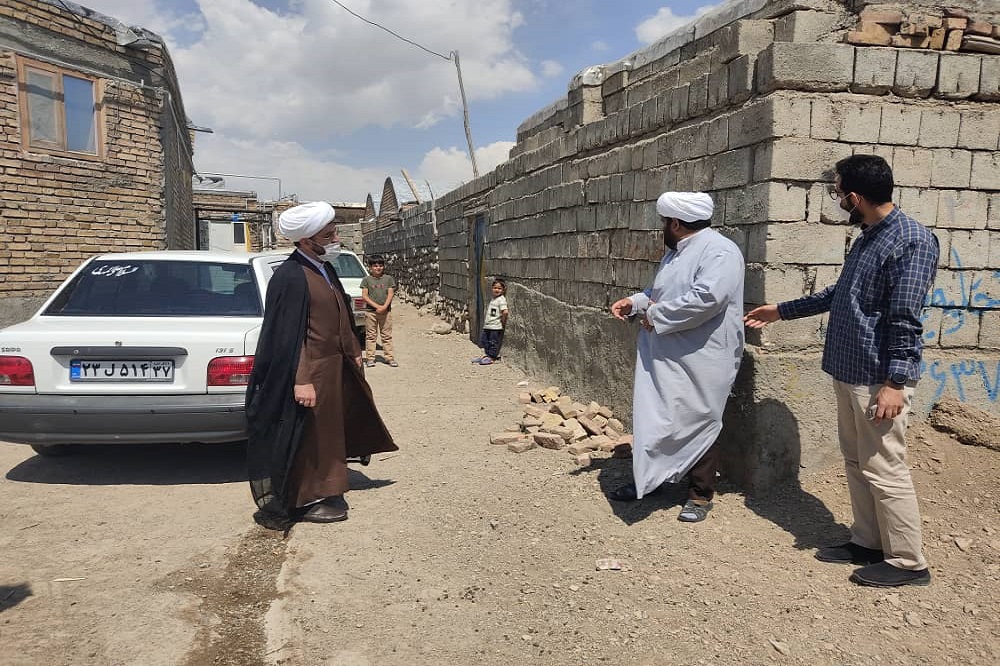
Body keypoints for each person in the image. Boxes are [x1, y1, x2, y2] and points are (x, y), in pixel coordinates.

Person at [745, 155, 938, 588]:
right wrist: (782, 311)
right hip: (849, 371)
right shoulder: (868, 236)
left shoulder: (911, 240)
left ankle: (909, 562)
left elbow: (906, 316)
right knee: (857, 462)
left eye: (837, 193)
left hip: (877, 378)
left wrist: (895, 383)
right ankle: (868, 540)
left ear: (855, 197)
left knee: (885, 467)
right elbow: (842, 295)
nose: (837, 201)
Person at [245, 201, 397, 530]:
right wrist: (301, 380)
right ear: (305, 240)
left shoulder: (323, 268)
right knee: (309, 437)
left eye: (334, 232)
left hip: (333, 366)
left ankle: (330, 488)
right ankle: (308, 496)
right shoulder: (291, 276)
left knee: (329, 433)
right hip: (310, 371)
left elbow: (340, 312)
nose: (335, 238)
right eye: (329, 234)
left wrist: (353, 350)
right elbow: (288, 337)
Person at [608, 191, 745, 522]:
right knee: (655, 416)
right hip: (666, 354)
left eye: (663, 224)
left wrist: (654, 316)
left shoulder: (720, 252)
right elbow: (659, 294)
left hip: (703, 356)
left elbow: (706, 299)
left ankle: (699, 495)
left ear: (676, 223)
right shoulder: (676, 253)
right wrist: (635, 302)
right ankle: (650, 481)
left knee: (700, 419)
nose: (662, 230)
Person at [360, 254, 397, 368]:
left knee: (386, 336)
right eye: (375, 266)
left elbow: (390, 293)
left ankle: (389, 358)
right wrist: (377, 306)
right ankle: (370, 358)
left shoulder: (388, 279)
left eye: (380, 265)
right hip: (371, 312)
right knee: (371, 336)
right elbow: (365, 296)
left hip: (386, 312)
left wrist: (384, 307)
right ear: (370, 267)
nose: (378, 268)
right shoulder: (366, 280)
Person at [475, 279, 508, 366]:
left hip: (495, 326)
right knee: (484, 340)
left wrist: (503, 321)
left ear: (503, 290)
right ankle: (487, 355)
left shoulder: (501, 299)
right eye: (495, 288)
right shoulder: (494, 299)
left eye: (499, 288)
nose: (497, 290)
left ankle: (491, 357)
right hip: (488, 325)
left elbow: (505, 311)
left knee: (493, 342)